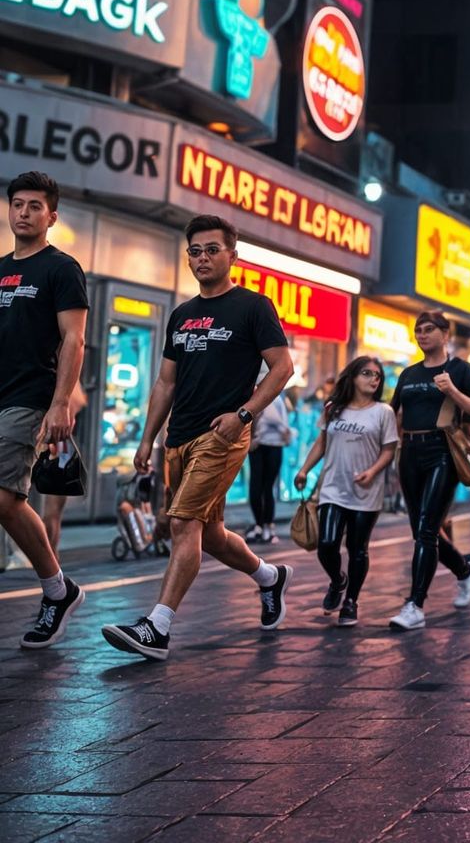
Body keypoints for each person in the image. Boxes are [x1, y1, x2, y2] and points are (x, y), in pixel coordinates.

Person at [102, 215, 294, 660]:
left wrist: (243, 415)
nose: (202, 258)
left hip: (222, 435)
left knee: (182, 523)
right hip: (179, 437)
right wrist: (147, 439)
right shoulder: (182, 315)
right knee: (209, 533)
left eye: (212, 249)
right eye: (195, 251)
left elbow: (282, 368)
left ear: (232, 256)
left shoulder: (253, 307)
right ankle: (269, 577)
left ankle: (158, 627)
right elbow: (165, 382)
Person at [0, 172, 89, 648]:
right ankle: (58, 590)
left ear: (51, 216)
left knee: (3, 498)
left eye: (35, 206)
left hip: (29, 398)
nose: (24, 212)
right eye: (18, 204)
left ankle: (57, 589)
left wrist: (60, 404)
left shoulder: (61, 269)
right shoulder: (0, 269)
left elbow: (74, 339)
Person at [387, 311, 470, 631]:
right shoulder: (409, 373)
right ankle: (464, 571)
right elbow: (390, 414)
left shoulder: (460, 369)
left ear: (446, 334)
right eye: (418, 330)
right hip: (409, 453)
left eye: (429, 329)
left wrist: (453, 392)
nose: (422, 335)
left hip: (443, 452)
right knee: (421, 531)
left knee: (427, 530)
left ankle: (415, 605)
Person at [293, 356, 397, 625]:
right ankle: (338, 580)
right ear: (352, 377)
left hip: (366, 490)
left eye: (377, 375)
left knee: (357, 548)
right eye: (367, 373)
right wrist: (304, 470)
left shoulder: (383, 412)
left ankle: (351, 601)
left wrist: (372, 471)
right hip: (333, 487)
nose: (374, 379)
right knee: (326, 545)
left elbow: (389, 450)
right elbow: (321, 442)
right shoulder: (333, 408)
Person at [37, 378, 87, 554]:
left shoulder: (60, 379)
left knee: (50, 512)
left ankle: (48, 558)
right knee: (52, 513)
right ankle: (50, 557)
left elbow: (77, 400)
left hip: (54, 448)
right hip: (58, 449)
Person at [245, 390, 292, 545]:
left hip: (274, 445)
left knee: (267, 487)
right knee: (256, 486)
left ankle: (267, 526)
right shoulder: (254, 397)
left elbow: (284, 424)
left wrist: (285, 433)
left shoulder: (277, 399)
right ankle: (259, 524)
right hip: (257, 445)